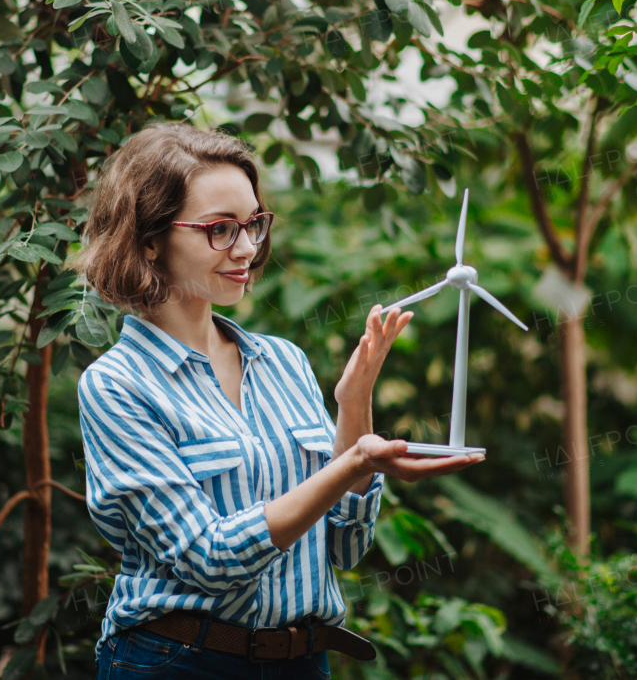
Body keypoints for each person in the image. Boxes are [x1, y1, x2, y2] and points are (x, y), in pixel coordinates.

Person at [73, 121, 484, 679]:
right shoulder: (118, 386)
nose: (246, 248)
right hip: (178, 663)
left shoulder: (282, 362)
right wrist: (358, 460)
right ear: (150, 240)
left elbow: (343, 546)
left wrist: (353, 405)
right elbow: (210, 560)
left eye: (253, 224)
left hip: (302, 663)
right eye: (219, 229)